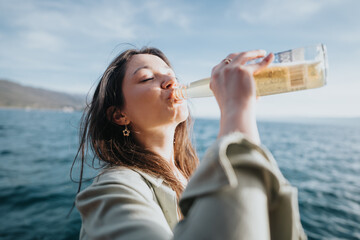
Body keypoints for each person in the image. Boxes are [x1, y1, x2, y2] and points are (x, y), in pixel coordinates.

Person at [73, 47, 307, 240]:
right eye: (147, 78)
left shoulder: (193, 173)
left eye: (170, 73)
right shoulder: (112, 190)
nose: (170, 81)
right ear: (119, 115)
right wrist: (237, 112)